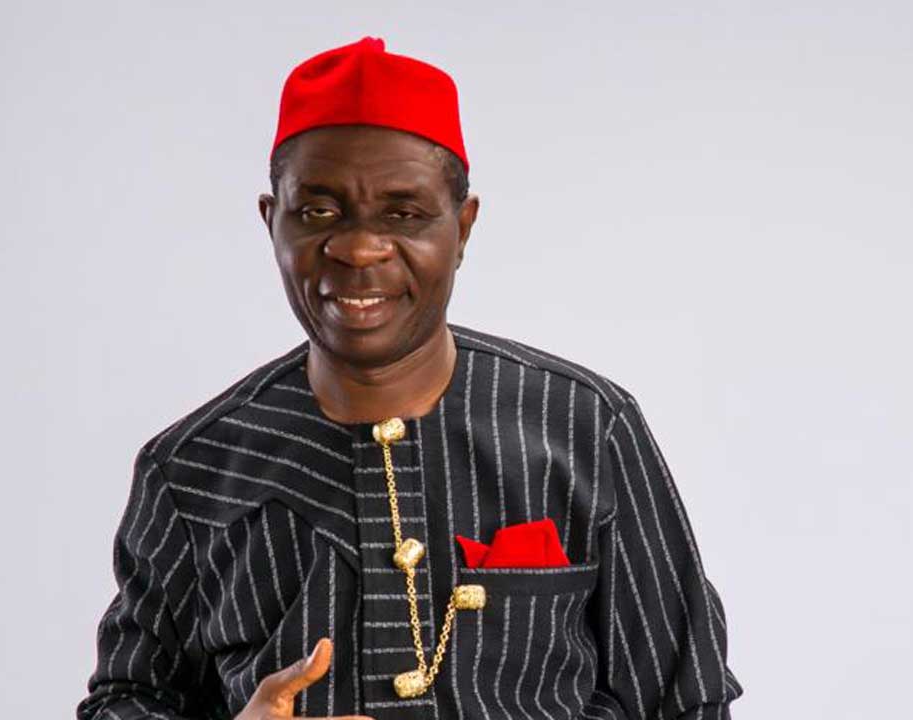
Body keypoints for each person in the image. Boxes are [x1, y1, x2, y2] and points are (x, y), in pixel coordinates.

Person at [77, 36, 742, 720]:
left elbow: (687, 697)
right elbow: (124, 700)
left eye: (404, 214)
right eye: (319, 212)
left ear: (463, 227)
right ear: (272, 223)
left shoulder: (583, 427)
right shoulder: (191, 470)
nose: (359, 248)